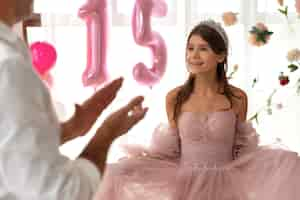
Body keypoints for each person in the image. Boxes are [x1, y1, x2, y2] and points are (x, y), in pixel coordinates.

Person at [93, 19, 300, 200]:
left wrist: (279, 163)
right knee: (115, 172)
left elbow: (242, 150)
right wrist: (131, 167)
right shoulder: (175, 98)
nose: (194, 55)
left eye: (203, 48)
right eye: (190, 48)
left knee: (291, 162)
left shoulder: (237, 98)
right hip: (186, 186)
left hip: (227, 186)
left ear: (220, 56)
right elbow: (169, 151)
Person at [0, 0, 148, 199]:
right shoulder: (9, 67)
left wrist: (70, 129)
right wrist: (107, 133)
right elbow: (65, 193)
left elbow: (9, 152)